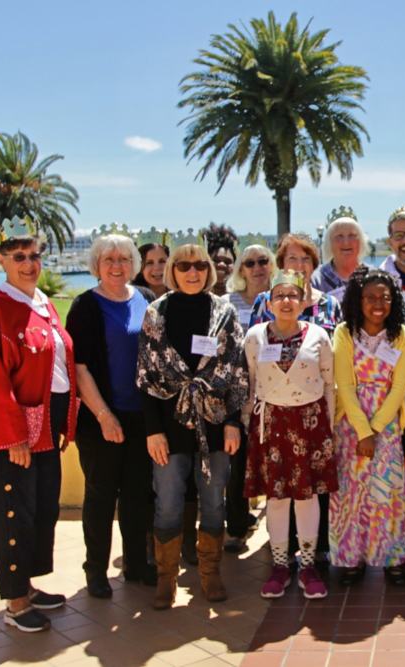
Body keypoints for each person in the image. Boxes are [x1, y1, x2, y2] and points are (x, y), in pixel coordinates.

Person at [0, 225, 77, 633]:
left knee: (42, 508)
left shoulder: (43, 303)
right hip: (10, 435)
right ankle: (15, 602)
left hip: (45, 429)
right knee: (13, 513)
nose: (29, 264)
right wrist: (13, 436)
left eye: (34, 256)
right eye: (19, 258)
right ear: (1, 260)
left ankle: (28, 586)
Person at [136, 243, 248, 609]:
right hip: (168, 428)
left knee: (214, 502)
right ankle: (166, 580)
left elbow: (236, 372)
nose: (192, 271)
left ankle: (210, 574)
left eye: (200, 265)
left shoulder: (224, 313)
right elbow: (147, 377)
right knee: (167, 504)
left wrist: (233, 422)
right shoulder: (157, 313)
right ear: (173, 270)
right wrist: (152, 430)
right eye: (183, 265)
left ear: (209, 271)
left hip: (215, 426)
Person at [65, 234, 156, 598]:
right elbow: (80, 367)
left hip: (140, 418)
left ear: (133, 264)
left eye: (123, 259)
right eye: (108, 260)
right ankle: (96, 570)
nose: (117, 266)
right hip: (101, 418)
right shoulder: (86, 306)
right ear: (96, 265)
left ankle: (135, 563)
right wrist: (104, 415)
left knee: (137, 496)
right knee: (101, 497)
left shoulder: (147, 300)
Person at [243, 270, 337, 599]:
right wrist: (250, 427)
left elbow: (330, 384)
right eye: (279, 295)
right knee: (277, 498)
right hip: (271, 425)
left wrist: (330, 429)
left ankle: (308, 565)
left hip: (310, 424)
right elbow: (250, 384)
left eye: (293, 296)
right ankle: (281, 565)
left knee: (308, 497)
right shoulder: (255, 337)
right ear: (268, 303)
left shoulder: (319, 337)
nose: (286, 301)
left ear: (303, 303)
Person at [330, 267, 405, 586]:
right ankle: (351, 558)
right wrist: (363, 431)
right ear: (357, 300)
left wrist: (376, 428)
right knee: (351, 492)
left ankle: (392, 557)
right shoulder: (343, 333)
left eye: (385, 297)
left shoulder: (402, 335)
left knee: (387, 490)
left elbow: (400, 386)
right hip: (350, 423)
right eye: (370, 298)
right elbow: (345, 385)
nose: (378, 304)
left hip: (387, 425)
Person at [223, 243, 274, 552]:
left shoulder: (282, 299)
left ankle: (279, 533)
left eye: (263, 261)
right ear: (241, 269)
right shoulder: (226, 303)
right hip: (238, 395)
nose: (257, 267)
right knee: (237, 464)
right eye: (249, 262)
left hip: (274, 394)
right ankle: (237, 525)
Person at [251, 234, 343, 334]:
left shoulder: (330, 304)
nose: (299, 265)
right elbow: (252, 344)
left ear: (314, 265)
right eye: (292, 258)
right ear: (282, 264)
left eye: (306, 259)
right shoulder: (264, 303)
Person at [312, 206, 367, 302]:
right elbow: (313, 311)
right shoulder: (315, 280)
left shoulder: (373, 276)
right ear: (329, 242)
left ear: (361, 241)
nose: (346, 242)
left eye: (352, 235)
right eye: (339, 236)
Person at [205, 223, 238, 297]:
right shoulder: (196, 297)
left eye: (227, 262)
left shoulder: (243, 297)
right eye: (216, 260)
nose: (222, 264)